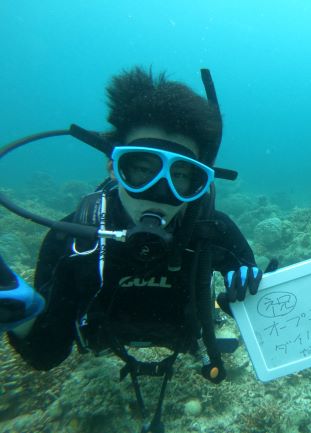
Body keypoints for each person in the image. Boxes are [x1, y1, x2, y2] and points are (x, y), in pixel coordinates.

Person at [0, 67, 262, 431]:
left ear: (199, 183)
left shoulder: (212, 231)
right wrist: (23, 316)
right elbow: (46, 355)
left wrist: (253, 294)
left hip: (186, 338)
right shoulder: (76, 239)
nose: (159, 193)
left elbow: (260, 303)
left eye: (181, 176)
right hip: (102, 340)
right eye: (141, 169)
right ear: (113, 167)